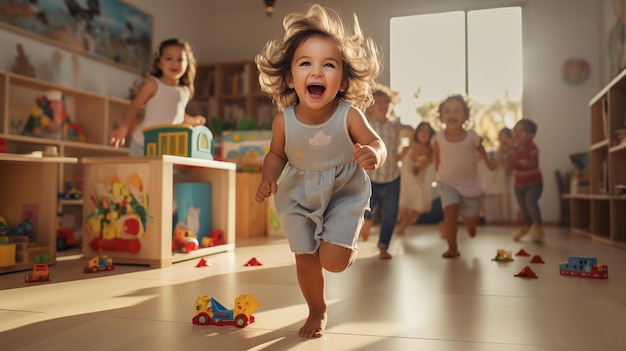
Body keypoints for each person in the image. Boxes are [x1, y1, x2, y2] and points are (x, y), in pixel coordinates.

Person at [254, 4, 385, 338]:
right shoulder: (283, 121)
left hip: (343, 193)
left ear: (342, 80)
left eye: (329, 65)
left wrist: (374, 154)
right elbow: (276, 154)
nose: (317, 71)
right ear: (289, 77)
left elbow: (376, 142)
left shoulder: (349, 115)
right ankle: (317, 309)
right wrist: (268, 177)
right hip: (298, 194)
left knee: (333, 261)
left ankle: (345, 243)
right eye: (306, 63)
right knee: (305, 257)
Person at [109, 38, 206, 155]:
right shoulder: (153, 84)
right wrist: (124, 128)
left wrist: (193, 121)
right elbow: (134, 106)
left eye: (180, 59)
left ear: (187, 63)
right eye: (168, 58)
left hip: (165, 148)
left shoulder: (185, 91)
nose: (175, 63)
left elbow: (177, 115)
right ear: (159, 63)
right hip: (142, 145)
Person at [433, 94, 495, 258]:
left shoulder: (472, 136)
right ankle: (452, 248)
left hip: (470, 185)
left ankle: (471, 225)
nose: (452, 114)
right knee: (450, 213)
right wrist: (438, 175)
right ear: (441, 116)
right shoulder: (438, 138)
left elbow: (482, 153)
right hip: (447, 182)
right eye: (447, 111)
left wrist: (489, 164)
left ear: (466, 116)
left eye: (457, 111)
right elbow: (436, 159)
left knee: (471, 220)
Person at [358, 85, 412, 259]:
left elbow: (411, 132)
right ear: (371, 106)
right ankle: (366, 222)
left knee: (391, 213)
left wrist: (405, 151)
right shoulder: (367, 123)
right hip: (371, 178)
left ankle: (383, 246)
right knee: (366, 208)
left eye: (386, 101)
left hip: (392, 178)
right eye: (378, 101)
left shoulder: (394, 126)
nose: (383, 104)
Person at [396, 121, 434, 234]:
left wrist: (419, 164)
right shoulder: (407, 148)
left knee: (417, 208)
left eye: (427, 132)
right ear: (417, 132)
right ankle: (398, 223)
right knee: (402, 212)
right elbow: (396, 159)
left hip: (418, 183)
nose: (424, 133)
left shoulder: (430, 151)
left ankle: (402, 228)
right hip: (404, 183)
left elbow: (418, 170)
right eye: (421, 130)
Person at [509, 119, 544, 242]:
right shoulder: (514, 149)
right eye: (515, 131)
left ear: (531, 135)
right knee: (523, 208)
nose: (517, 134)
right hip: (518, 185)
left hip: (534, 184)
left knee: (530, 203)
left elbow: (531, 163)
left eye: (521, 131)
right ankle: (526, 225)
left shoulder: (532, 147)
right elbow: (510, 166)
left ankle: (538, 227)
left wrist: (517, 161)